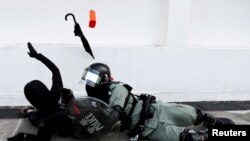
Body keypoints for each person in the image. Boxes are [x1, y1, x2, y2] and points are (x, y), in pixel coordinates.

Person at [80, 62, 235, 141]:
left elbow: (117, 110)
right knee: (189, 138)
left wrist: (115, 114)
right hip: (148, 128)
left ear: (105, 78)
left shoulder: (116, 89)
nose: (89, 83)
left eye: (93, 78)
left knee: (192, 113)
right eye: (88, 78)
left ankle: (213, 123)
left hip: (157, 110)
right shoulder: (94, 102)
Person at [8, 42, 75, 141]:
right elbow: (55, 70)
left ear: (32, 101)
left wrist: (23, 136)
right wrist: (37, 56)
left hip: (51, 118)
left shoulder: (40, 119)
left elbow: (41, 139)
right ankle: (28, 110)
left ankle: (28, 110)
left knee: (31, 115)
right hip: (73, 119)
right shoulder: (56, 92)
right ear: (44, 89)